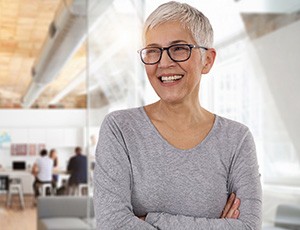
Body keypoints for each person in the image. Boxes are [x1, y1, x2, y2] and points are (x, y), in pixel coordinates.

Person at [94, 1, 262, 229]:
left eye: (179, 49)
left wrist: (153, 219)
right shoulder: (120, 129)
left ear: (208, 60)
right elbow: (113, 224)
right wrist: (217, 225)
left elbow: (249, 227)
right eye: (153, 51)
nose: (164, 63)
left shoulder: (237, 139)